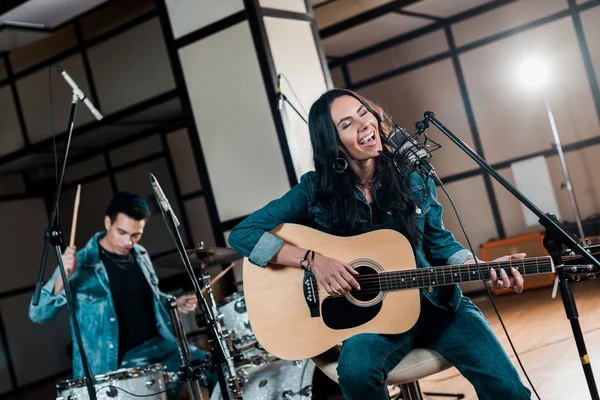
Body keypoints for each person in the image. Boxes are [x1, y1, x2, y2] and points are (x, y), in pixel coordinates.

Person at [227, 88, 531, 399]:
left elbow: (440, 243)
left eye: (364, 113)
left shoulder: (413, 177)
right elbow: (242, 234)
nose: (364, 126)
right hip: (374, 321)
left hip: (437, 305)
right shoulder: (315, 190)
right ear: (332, 143)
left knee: (510, 390)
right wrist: (312, 260)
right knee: (356, 372)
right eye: (346, 124)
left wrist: (479, 268)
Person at [29, 191, 215, 398]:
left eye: (136, 235)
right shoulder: (79, 263)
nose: (128, 242)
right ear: (108, 222)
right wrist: (61, 278)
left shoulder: (140, 254)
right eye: (122, 232)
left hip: (163, 346)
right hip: (123, 360)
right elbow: (38, 314)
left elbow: (149, 299)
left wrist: (175, 303)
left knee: (216, 368)